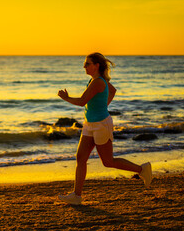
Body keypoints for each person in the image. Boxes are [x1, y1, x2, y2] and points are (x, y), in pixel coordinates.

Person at [57, 52, 152, 205]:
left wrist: (66, 98)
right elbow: (113, 91)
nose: (84, 66)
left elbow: (82, 101)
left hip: (101, 125)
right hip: (89, 124)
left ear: (97, 65)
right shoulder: (94, 80)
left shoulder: (98, 82)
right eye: (85, 63)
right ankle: (77, 196)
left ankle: (142, 170)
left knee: (108, 162)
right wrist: (102, 105)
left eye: (87, 63)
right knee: (81, 158)